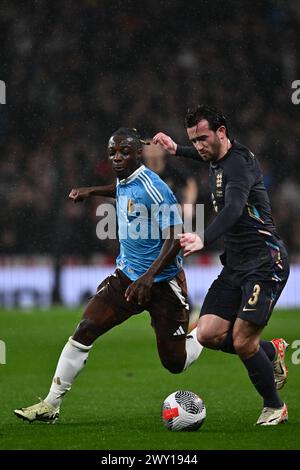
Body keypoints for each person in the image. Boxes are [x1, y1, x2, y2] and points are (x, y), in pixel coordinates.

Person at [14, 128, 202, 423]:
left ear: (138, 154)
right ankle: (50, 406)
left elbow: (175, 236)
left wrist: (149, 277)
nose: (117, 157)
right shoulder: (126, 177)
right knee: (86, 328)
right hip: (127, 277)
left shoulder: (155, 187)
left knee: (174, 363)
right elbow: (123, 190)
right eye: (113, 152)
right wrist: (92, 190)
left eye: (124, 152)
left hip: (163, 283)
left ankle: (201, 332)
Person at [153, 105, 290, 426]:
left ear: (222, 132)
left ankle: (275, 407)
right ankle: (270, 352)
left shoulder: (239, 165)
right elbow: (200, 154)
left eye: (203, 138)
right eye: (193, 140)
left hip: (265, 261)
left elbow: (232, 208)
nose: (199, 146)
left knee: (243, 341)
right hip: (236, 265)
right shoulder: (214, 156)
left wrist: (203, 238)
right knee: (208, 334)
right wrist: (177, 150)